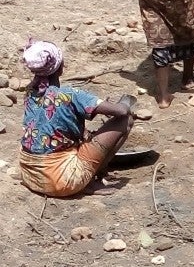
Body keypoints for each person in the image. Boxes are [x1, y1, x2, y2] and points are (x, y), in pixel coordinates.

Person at [19, 40, 133, 198]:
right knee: (125, 121)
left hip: (30, 175)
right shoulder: (71, 95)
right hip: (61, 181)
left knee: (81, 133)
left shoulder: (30, 91)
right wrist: (125, 103)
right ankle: (91, 179)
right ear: (60, 67)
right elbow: (121, 112)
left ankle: (86, 172)